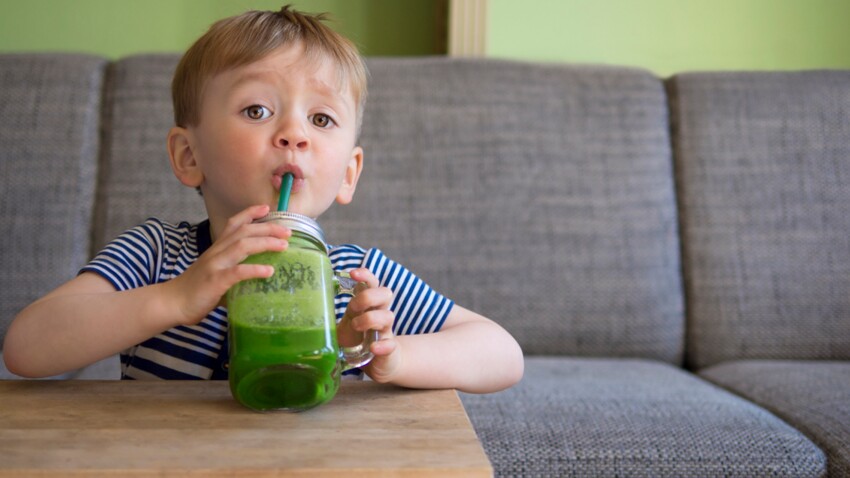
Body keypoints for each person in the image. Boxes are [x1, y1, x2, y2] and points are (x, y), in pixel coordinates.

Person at [3, 5, 523, 393]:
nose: (294, 133)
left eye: (321, 119)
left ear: (348, 173)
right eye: (256, 110)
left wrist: (389, 356)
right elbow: (26, 348)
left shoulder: (353, 275)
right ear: (188, 155)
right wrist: (175, 299)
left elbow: (502, 354)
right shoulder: (158, 255)